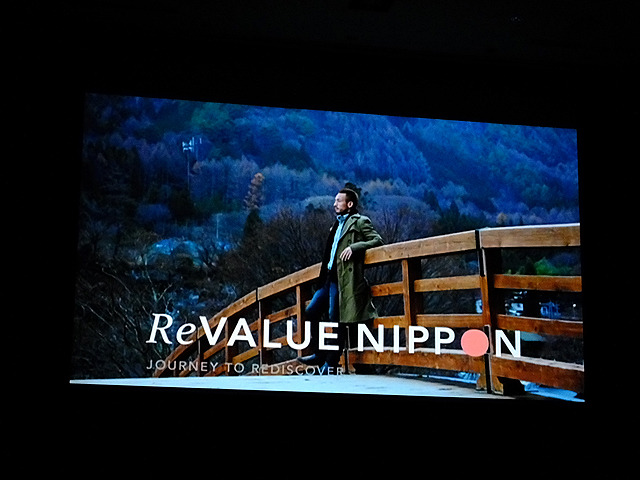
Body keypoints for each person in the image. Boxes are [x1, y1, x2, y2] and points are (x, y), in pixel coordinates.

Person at [299, 187, 383, 373]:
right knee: (312, 311)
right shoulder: (336, 225)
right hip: (328, 277)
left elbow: (377, 240)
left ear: (349, 204)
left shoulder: (359, 222)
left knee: (335, 317)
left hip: (343, 279)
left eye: (338, 201)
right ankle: (319, 353)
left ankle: (331, 361)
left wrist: (355, 247)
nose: (334, 204)